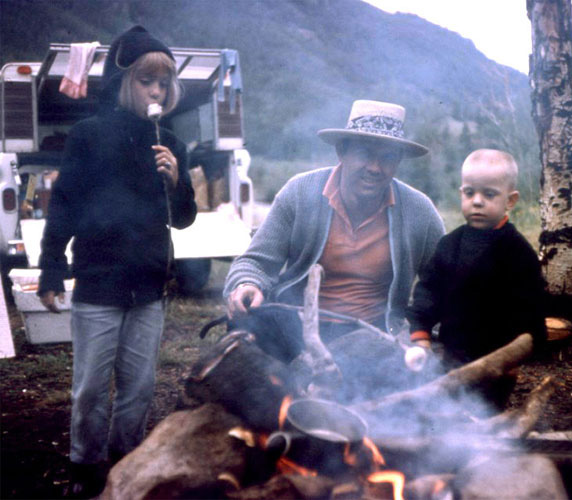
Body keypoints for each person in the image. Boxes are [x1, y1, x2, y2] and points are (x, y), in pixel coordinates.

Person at [37, 26, 196, 497]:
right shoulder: (88, 136)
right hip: (98, 283)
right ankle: (85, 469)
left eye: (164, 84)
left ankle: (126, 467)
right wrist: (50, 268)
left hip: (148, 287)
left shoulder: (172, 143)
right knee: (89, 389)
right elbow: (64, 203)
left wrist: (176, 181)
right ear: (125, 83)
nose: (156, 91)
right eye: (148, 81)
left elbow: (184, 220)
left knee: (139, 389)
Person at [224, 100, 445, 361]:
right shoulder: (299, 192)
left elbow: (444, 283)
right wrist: (247, 283)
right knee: (246, 337)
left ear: (398, 162)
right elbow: (255, 261)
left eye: (387, 157)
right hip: (297, 323)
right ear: (342, 151)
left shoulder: (419, 211)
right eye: (365, 153)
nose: (375, 168)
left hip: (374, 335)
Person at [406, 149, 546, 404]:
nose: (477, 201)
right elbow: (428, 291)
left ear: (510, 200)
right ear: (461, 193)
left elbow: (531, 311)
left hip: (497, 364)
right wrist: (421, 335)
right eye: (470, 193)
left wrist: (515, 356)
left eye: (489, 194)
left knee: (481, 419)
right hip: (450, 356)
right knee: (444, 414)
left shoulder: (517, 252)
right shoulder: (450, 244)